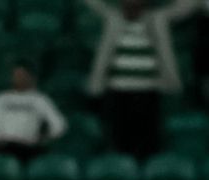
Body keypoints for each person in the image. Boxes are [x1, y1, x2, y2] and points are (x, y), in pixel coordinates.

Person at [83, 0, 199, 159]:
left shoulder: (157, 19)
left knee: (148, 140)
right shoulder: (113, 19)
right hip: (118, 90)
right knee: (120, 138)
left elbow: (188, 6)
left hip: (148, 90)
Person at [0, 63, 67, 161]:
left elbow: (59, 125)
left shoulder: (39, 99)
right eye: (16, 75)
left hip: (26, 147)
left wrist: (44, 138)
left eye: (22, 75)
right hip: (1, 147)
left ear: (30, 77)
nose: (18, 78)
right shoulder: (1, 98)